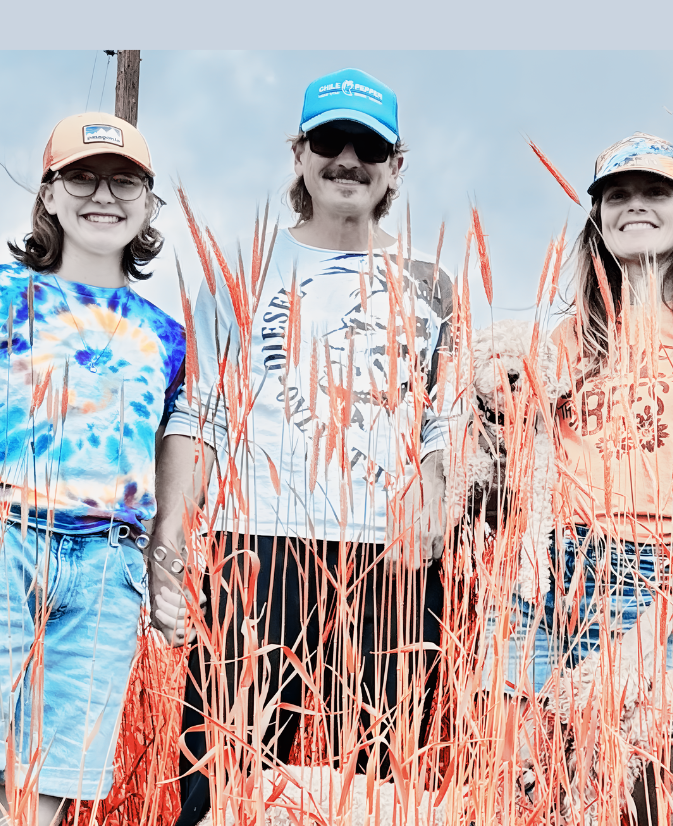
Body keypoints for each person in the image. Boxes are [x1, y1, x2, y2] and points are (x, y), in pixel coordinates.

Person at [154, 67, 454, 826]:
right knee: (222, 781)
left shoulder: (434, 285)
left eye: (368, 148)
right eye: (329, 143)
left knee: (380, 790)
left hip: (389, 563)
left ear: (395, 166)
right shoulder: (242, 270)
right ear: (299, 154)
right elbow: (200, 414)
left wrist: (431, 500)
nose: (347, 161)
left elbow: (443, 424)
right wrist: (172, 534)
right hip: (256, 550)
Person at [0, 112, 188, 825]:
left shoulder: (167, 340)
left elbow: (163, 470)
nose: (102, 195)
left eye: (124, 183)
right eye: (81, 177)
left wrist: (162, 571)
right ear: (48, 193)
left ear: (148, 203)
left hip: (106, 576)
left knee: (32, 810)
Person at [477, 133, 673, 826]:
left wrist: (646, 634)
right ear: (598, 219)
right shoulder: (562, 341)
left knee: (670, 792)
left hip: (659, 577)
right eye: (617, 195)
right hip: (542, 577)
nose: (635, 205)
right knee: (524, 793)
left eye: (654, 193)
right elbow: (511, 462)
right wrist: (490, 399)